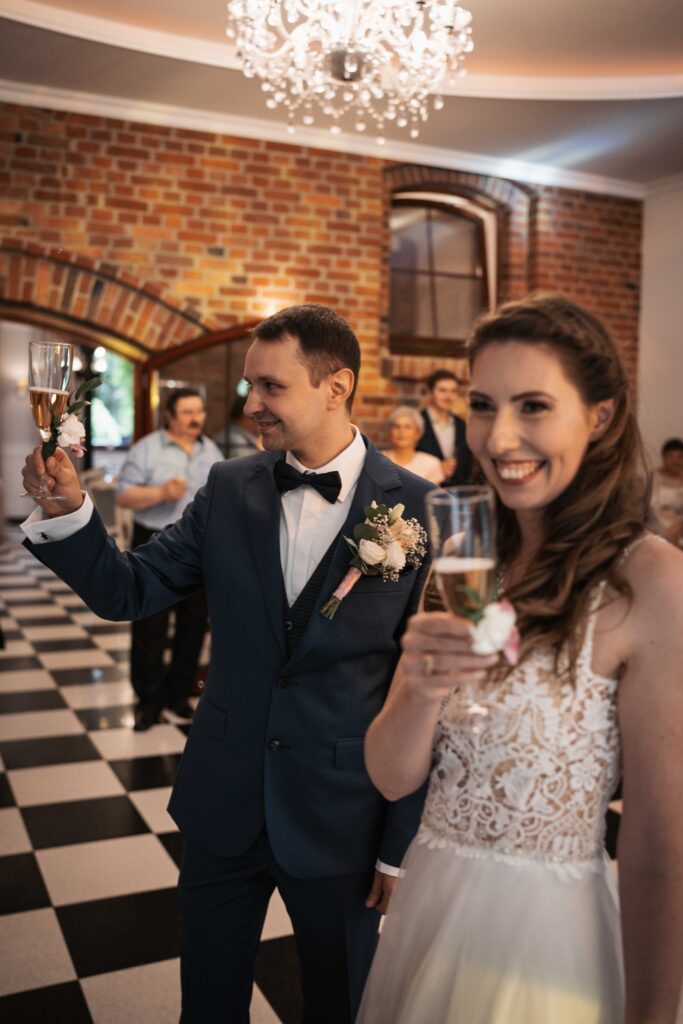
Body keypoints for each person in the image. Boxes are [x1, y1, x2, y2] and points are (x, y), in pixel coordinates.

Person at [19, 304, 434, 1024]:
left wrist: (400, 846)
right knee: (207, 1004)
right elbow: (128, 590)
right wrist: (71, 509)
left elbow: (428, 696)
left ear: (336, 386)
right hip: (223, 799)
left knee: (339, 1003)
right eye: (250, 386)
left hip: (343, 814)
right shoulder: (229, 485)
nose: (250, 405)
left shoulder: (421, 509)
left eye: (271, 387)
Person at [358, 296, 683, 1024]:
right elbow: (391, 774)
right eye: (482, 405)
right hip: (433, 901)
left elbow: (661, 846)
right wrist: (420, 686)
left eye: (533, 405)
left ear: (598, 415)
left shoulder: (651, 578)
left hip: (544, 932)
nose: (499, 436)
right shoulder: (467, 553)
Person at [115, 388, 223, 730]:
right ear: (169, 416)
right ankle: (148, 701)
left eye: (199, 411)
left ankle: (179, 695)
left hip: (198, 545)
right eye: (187, 412)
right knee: (151, 625)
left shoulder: (211, 450)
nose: (195, 419)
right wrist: (160, 492)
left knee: (194, 623)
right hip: (155, 542)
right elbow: (123, 496)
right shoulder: (147, 449)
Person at [416, 368, 473, 485]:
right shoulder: (416, 422)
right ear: (430, 393)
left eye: (453, 391)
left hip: (457, 491)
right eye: (442, 391)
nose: (448, 396)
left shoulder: (462, 425)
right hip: (425, 489)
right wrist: (437, 470)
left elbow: (467, 464)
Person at [384, 406, 444, 484]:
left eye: (407, 427)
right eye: (396, 426)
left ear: (417, 433)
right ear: (390, 431)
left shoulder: (431, 464)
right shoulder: (376, 461)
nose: (401, 431)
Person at [649, 437, 683, 546]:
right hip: (653, 534)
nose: (675, 461)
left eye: (680, 457)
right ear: (663, 457)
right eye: (670, 456)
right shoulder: (650, 479)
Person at [214, 392, 262, 459]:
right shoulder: (235, 440)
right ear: (243, 416)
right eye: (255, 417)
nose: (258, 421)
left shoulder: (237, 438)